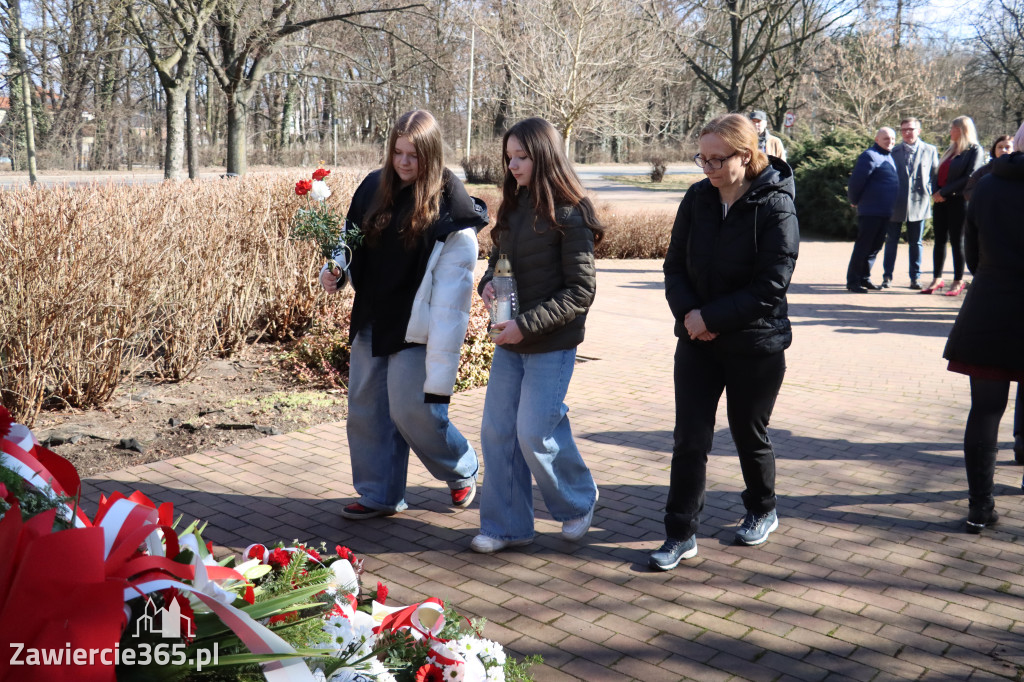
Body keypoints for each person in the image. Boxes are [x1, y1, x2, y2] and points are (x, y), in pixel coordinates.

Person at [318, 110, 488, 520]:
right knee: (367, 410)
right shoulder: (374, 186)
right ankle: (380, 494)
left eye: (414, 155)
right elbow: (348, 239)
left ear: (431, 154)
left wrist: (443, 349)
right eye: (397, 152)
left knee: (413, 410)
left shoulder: (451, 205)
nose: (404, 162)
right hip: (373, 316)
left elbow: (453, 293)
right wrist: (336, 268)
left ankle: (461, 466)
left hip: (419, 323)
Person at [652, 113, 799, 571]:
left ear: (746, 155)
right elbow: (674, 266)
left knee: (747, 433)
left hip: (755, 343)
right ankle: (679, 533)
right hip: (697, 342)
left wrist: (710, 318)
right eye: (703, 158)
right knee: (689, 438)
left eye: (718, 159)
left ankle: (762, 507)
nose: (709, 168)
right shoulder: (697, 198)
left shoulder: (775, 204)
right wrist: (691, 317)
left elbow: (772, 284)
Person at [470, 117, 602, 554]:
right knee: (497, 433)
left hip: (551, 344)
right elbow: (497, 263)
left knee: (534, 432)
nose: (512, 165)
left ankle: (579, 500)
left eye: (521, 157)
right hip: (509, 340)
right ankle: (507, 527)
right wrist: (486, 285)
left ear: (544, 156)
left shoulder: (572, 213)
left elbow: (581, 291)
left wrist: (524, 325)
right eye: (509, 157)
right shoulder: (512, 207)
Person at [942, 150, 1024, 531]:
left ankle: (979, 506)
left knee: (985, 409)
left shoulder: (988, 185)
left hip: (990, 304)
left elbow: (971, 253)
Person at [920, 116, 985, 296]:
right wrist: (936, 191)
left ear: (962, 130)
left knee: (957, 241)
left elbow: (970, 176)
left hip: (958, 201)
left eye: (952, 128)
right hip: (941, 201)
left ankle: (958, 280)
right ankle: (937, 278)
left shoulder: (975, 150)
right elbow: (936, 172)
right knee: (939, 240)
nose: (950, 131)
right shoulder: (950, 149)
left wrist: (944, 191)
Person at [882, 117, 940, 290]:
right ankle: (887, 277)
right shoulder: (893, 151)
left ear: (919, 131)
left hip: (919, 201)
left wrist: (932, 192)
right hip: (895, 202)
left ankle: (915, 278)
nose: (907, 133)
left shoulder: (930, 150)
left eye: (911, 129)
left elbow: (935, 175)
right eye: (904, 130)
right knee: (891, 241)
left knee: (916, 242)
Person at [845, 128, 898, 293]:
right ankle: (853, 281)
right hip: (870, 210)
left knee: (875, 246)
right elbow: (856, 181)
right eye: (886, 138)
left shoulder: (889, 156)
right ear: (877, 139)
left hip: (885, 211)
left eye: (893, 138)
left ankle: (864, 277)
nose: (890, 141)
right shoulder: (869, 156)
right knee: (864, 246)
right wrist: (854, 200)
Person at [964, 135, 1013, 200]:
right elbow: (968, 192)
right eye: (1000, 147)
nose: (1003, 150)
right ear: (994, 150)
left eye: (1007, 147)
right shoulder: (983, 171)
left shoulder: (1019, 171)